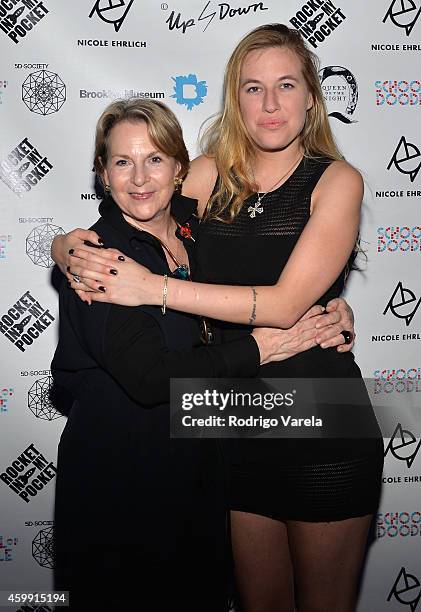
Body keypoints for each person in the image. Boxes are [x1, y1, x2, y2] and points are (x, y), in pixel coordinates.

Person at [50, 25, 381, 612]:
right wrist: (65, 246)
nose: (271, 104)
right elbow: (137, 205)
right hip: (233, 421)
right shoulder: (205, 175)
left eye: (286, 85)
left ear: (312, 96)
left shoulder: (337, 181)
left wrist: (152, 289)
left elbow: (282, 306)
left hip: (324, 417)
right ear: (236, 99)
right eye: (254, 89)